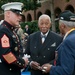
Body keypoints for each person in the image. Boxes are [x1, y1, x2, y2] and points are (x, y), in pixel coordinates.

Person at [41, 10, 75, 75]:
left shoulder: (68, 42)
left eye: (59, 24)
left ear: (62, 26)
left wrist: (51, 68)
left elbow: (66, 71)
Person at [0, 2, 29, 75]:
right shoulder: (3, 30)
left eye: (20, 15)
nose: (20, 18)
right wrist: (22, 62)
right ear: (8, 14)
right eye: (17, 14)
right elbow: (7, 54)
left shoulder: (11, 31)